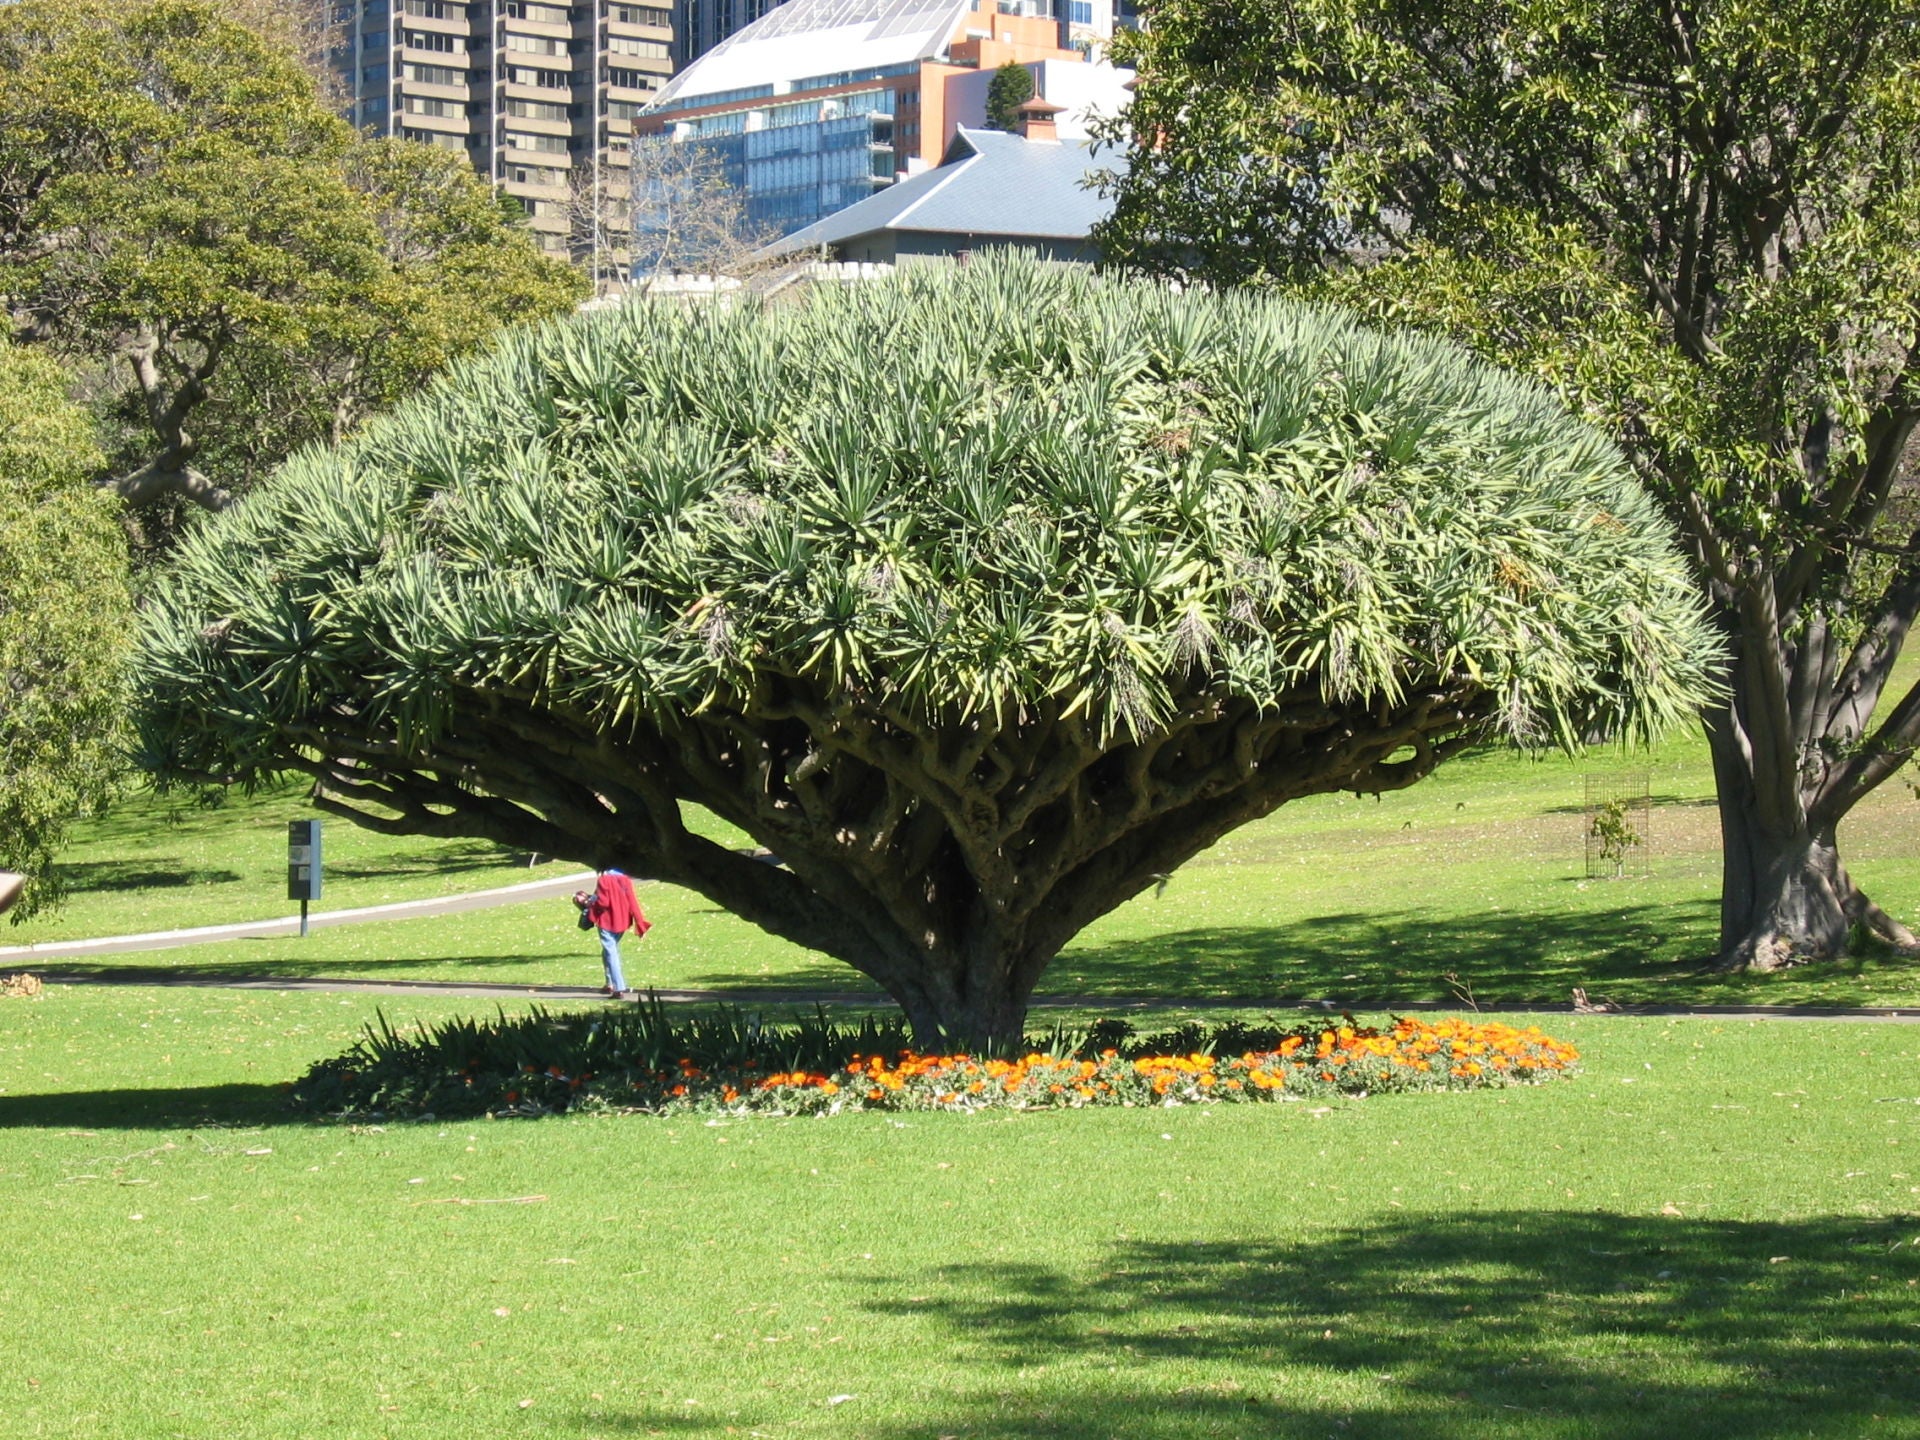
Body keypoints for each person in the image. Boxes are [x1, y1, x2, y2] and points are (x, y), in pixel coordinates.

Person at [578, 868, 648, 998]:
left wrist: (590, 905)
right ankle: (609, 983)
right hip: (623, 921)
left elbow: (603, 902)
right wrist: (640, 924)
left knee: (611, 953)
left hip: (607, 922)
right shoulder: (625, 878)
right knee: (609, 951)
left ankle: (618, 988)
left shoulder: (604, 879)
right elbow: (632, 901)